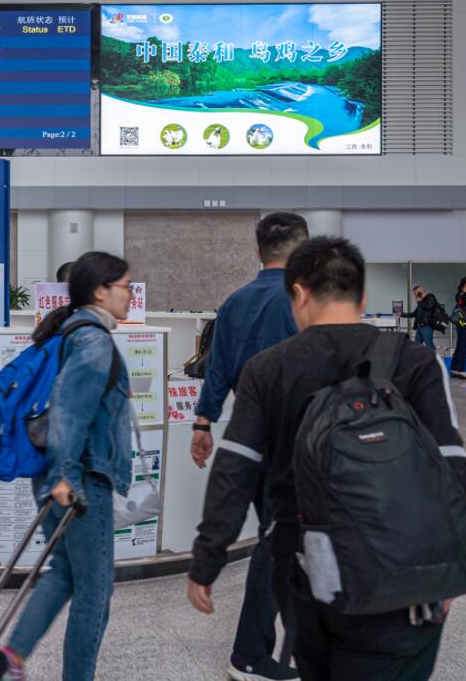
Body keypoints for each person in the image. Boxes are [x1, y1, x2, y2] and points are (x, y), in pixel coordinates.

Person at [187, 236, 466, 680]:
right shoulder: (415, 362)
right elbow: (453, 463)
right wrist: (449, 566)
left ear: (298, 295)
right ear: (362, 297)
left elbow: (235, 470)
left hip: (311, 572)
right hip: (407, 572)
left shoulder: (268, 368)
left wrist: (207, 560)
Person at [2, 251, 136, 681]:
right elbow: (69, 412)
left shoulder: (70, 331)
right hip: (80, 480)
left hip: (60, 473)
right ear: (100, 291)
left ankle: (11, 657)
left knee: (63, 573)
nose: (131, 295)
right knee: (95, 592)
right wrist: (66, 476)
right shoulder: (93, 341)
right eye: (125, 287)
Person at [191, 212, 308, 681]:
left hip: (247, 434)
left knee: (282, 537)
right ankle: (249, 655)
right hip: (292, 438)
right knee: (280, 539)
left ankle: (287, 644)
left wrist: (203, 423)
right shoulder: (302, 300)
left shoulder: (234, 302)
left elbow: (215, 368)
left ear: (258, 253)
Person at [400, 285, 443, 351]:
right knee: (417, 344)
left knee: (429, 344)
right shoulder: (421, 303)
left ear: (419, 292)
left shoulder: (430, 297)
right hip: (420, 326)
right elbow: (414, 314)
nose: (415, 296)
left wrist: (419, 301)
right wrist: (401, 314)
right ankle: (418, 357)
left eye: (415, 293)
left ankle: (435, 356)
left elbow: (428, 306)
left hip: (427, 326)